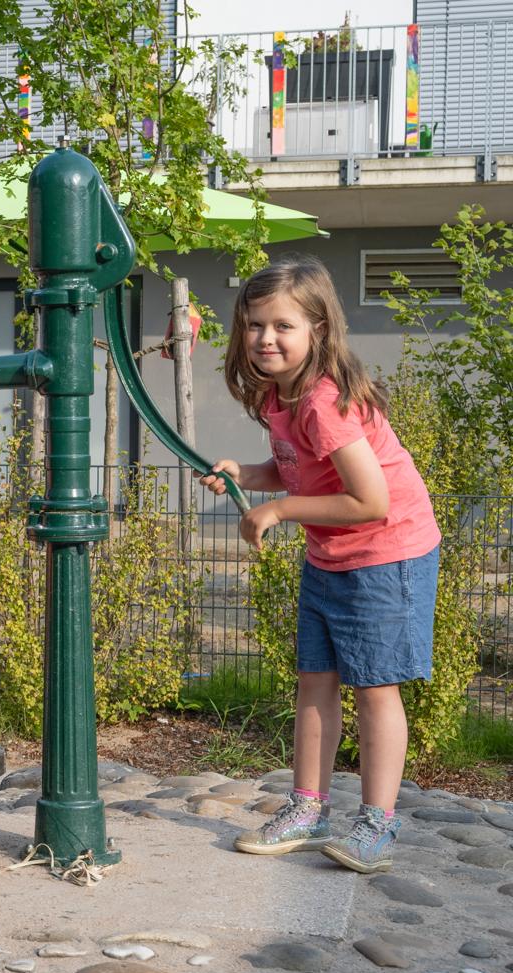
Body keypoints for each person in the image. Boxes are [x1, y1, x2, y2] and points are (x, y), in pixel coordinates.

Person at [208, 256, 440, 874]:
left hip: (387, 555)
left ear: (318, 328)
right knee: (315, 681)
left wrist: (279, 510)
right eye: (255, 325)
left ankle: (377, 824)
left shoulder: (324, 402)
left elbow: (370, 500)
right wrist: (245, 473)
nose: (265, 339)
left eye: (283, 325)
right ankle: (307, 808)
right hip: (332, 555)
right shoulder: (281, 397)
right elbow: (298, 468)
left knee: (374, 688)